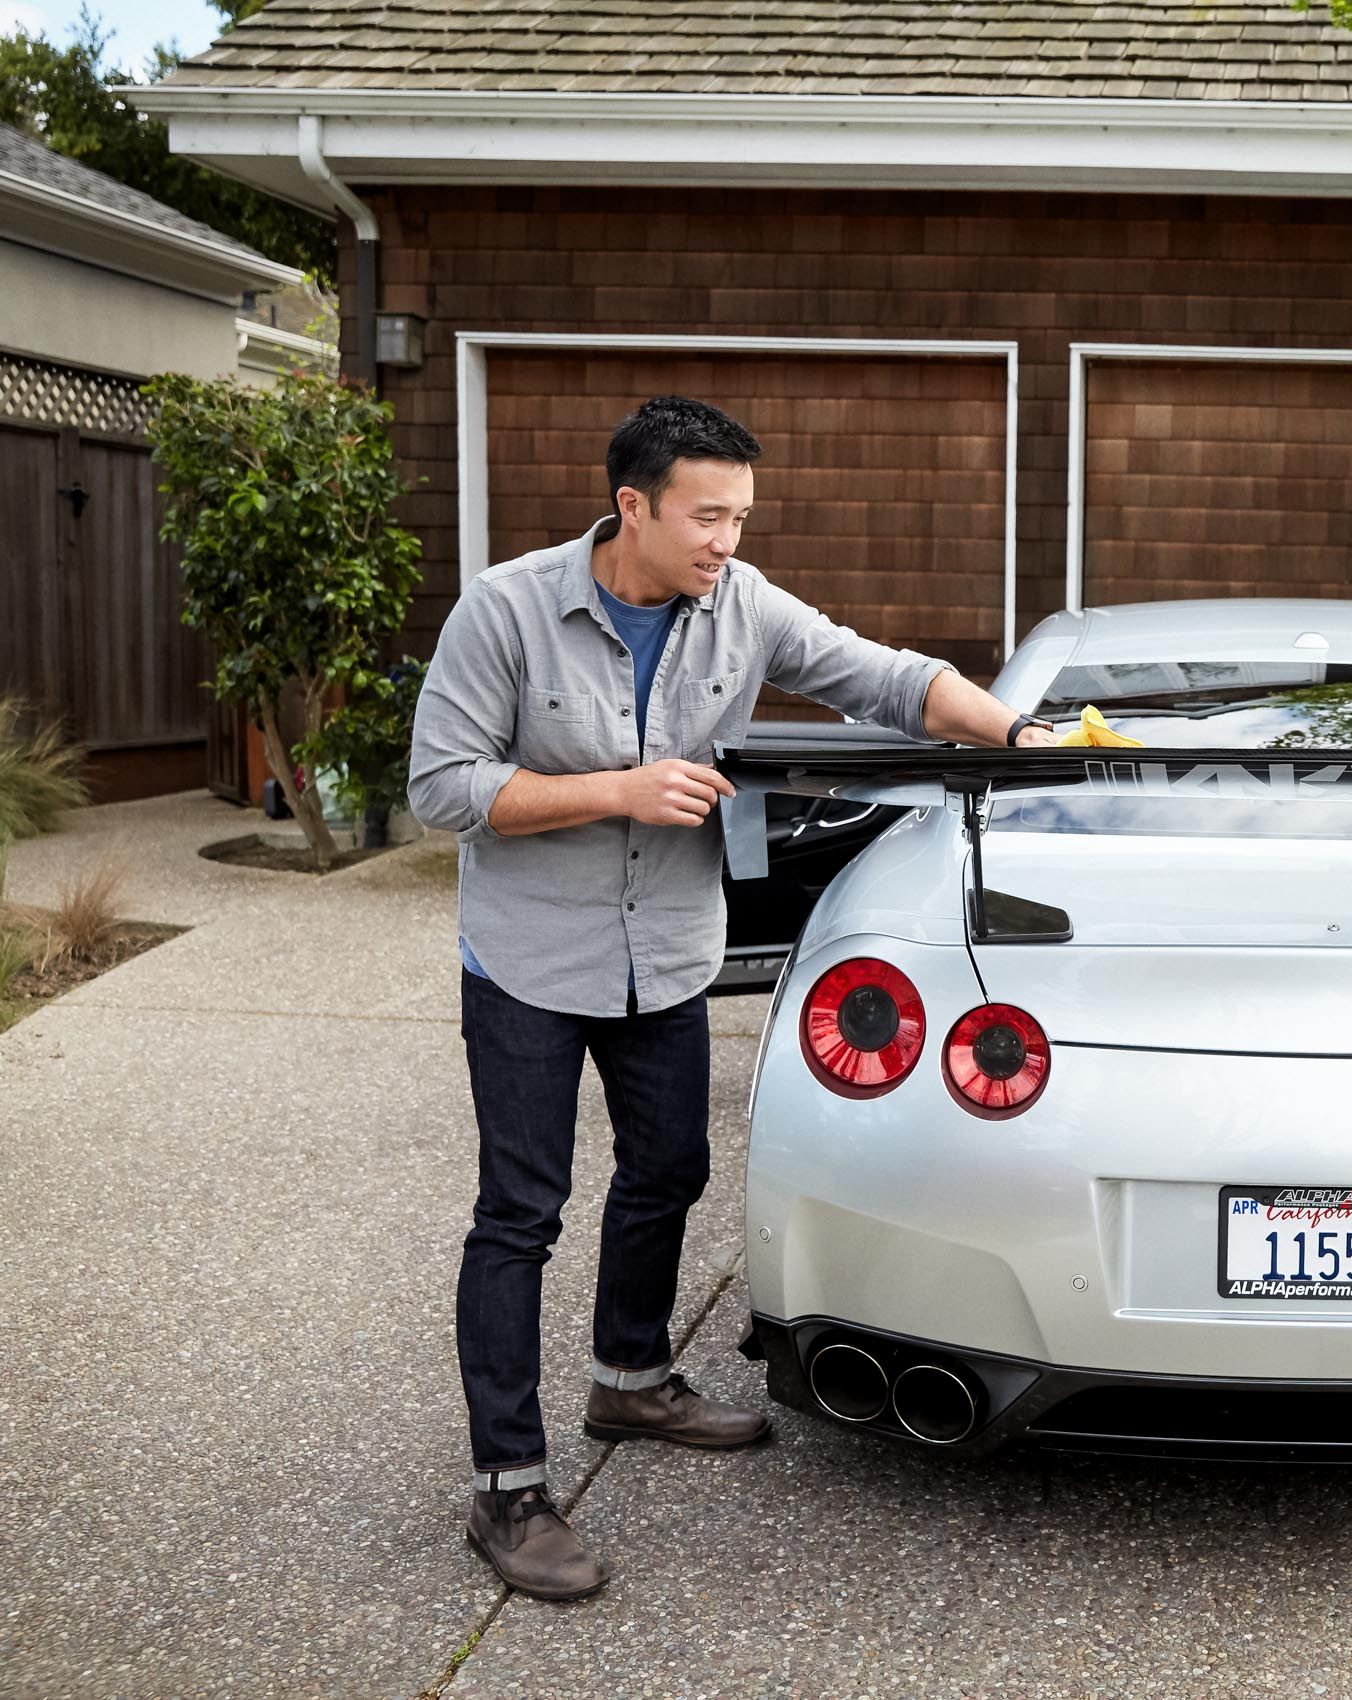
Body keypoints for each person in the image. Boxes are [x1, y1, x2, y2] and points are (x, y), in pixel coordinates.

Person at [408, 396, 1057, 1599]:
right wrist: (618, 789)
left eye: (742, 517)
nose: (727, 539)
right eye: (707, 515)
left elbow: (893, 680)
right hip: (531, 962)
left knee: (670, 1170)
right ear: (633, 506)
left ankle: (630, 1378)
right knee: (521, 1211)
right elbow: (443, 788)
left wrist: (1020, 731)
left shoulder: (742, 606)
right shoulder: (503, 609)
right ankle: (507, 1485)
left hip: (666, 954)